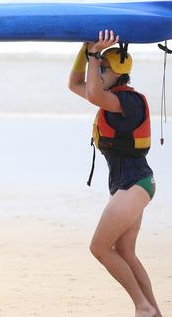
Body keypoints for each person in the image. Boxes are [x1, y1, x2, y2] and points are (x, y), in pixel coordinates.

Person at [67, 30, 162, 317]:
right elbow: (74, 84)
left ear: (117, 74)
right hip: (132, 184)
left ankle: (141, 306)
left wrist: (95, 54)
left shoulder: (127, 101)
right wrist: (86, 52)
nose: (99, 72)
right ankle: (154, 311)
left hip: (134, 184)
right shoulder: (110, 97)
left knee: (99, 247)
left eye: (103, 68)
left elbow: (93, 92)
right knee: (125, 251)